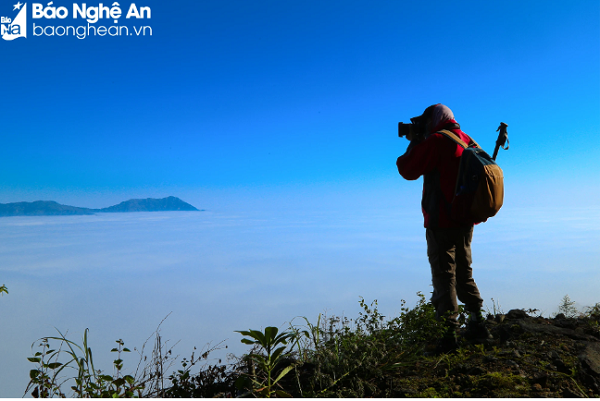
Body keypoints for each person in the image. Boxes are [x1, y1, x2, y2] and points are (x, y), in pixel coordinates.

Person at [396, 103, 492, 354]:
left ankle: (448, 336)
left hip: (441, 221)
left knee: (444, 275)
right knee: (464, 270)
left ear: (433, 120)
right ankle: (477, 323)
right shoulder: (466, 139)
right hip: (465, 219)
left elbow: (407, 169)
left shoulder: (437, 140)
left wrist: (415, 141)